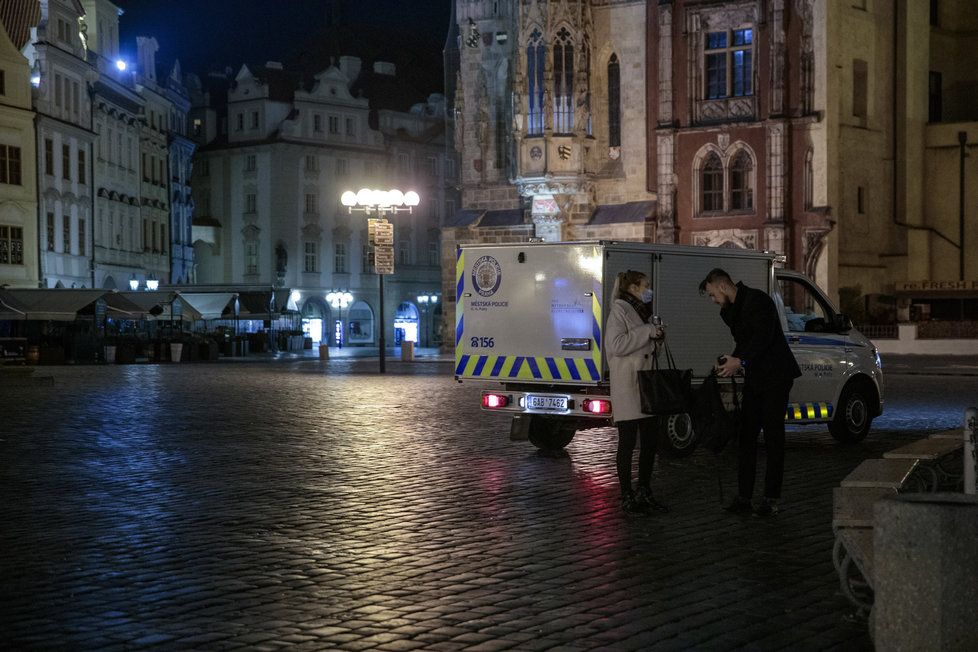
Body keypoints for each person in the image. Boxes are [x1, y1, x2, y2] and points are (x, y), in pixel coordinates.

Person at [699, 268, 801, 517]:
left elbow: (762, 338)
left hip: (777, 376)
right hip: (756, 378)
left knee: (774, 438)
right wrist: (732, 360)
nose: (713, 301)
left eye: (713, 294)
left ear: (722, 285)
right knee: (746, 437)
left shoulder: (758, 301)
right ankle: (744, 497)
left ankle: (771, 498)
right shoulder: (729, 311)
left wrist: (740, 361)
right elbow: (745, 341)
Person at [606, 270, 669, 515]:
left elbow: (650, 348)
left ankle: (644, 489)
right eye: (646, 285)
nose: (648, 289)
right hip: (628, 385)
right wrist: (647, 332)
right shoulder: (619, 310)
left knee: (651, 441)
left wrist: (658, 337)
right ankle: (626, 494)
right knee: (628, 441)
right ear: (632, 287)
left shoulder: (643, 311)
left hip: (646, 384)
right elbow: (617, 345)